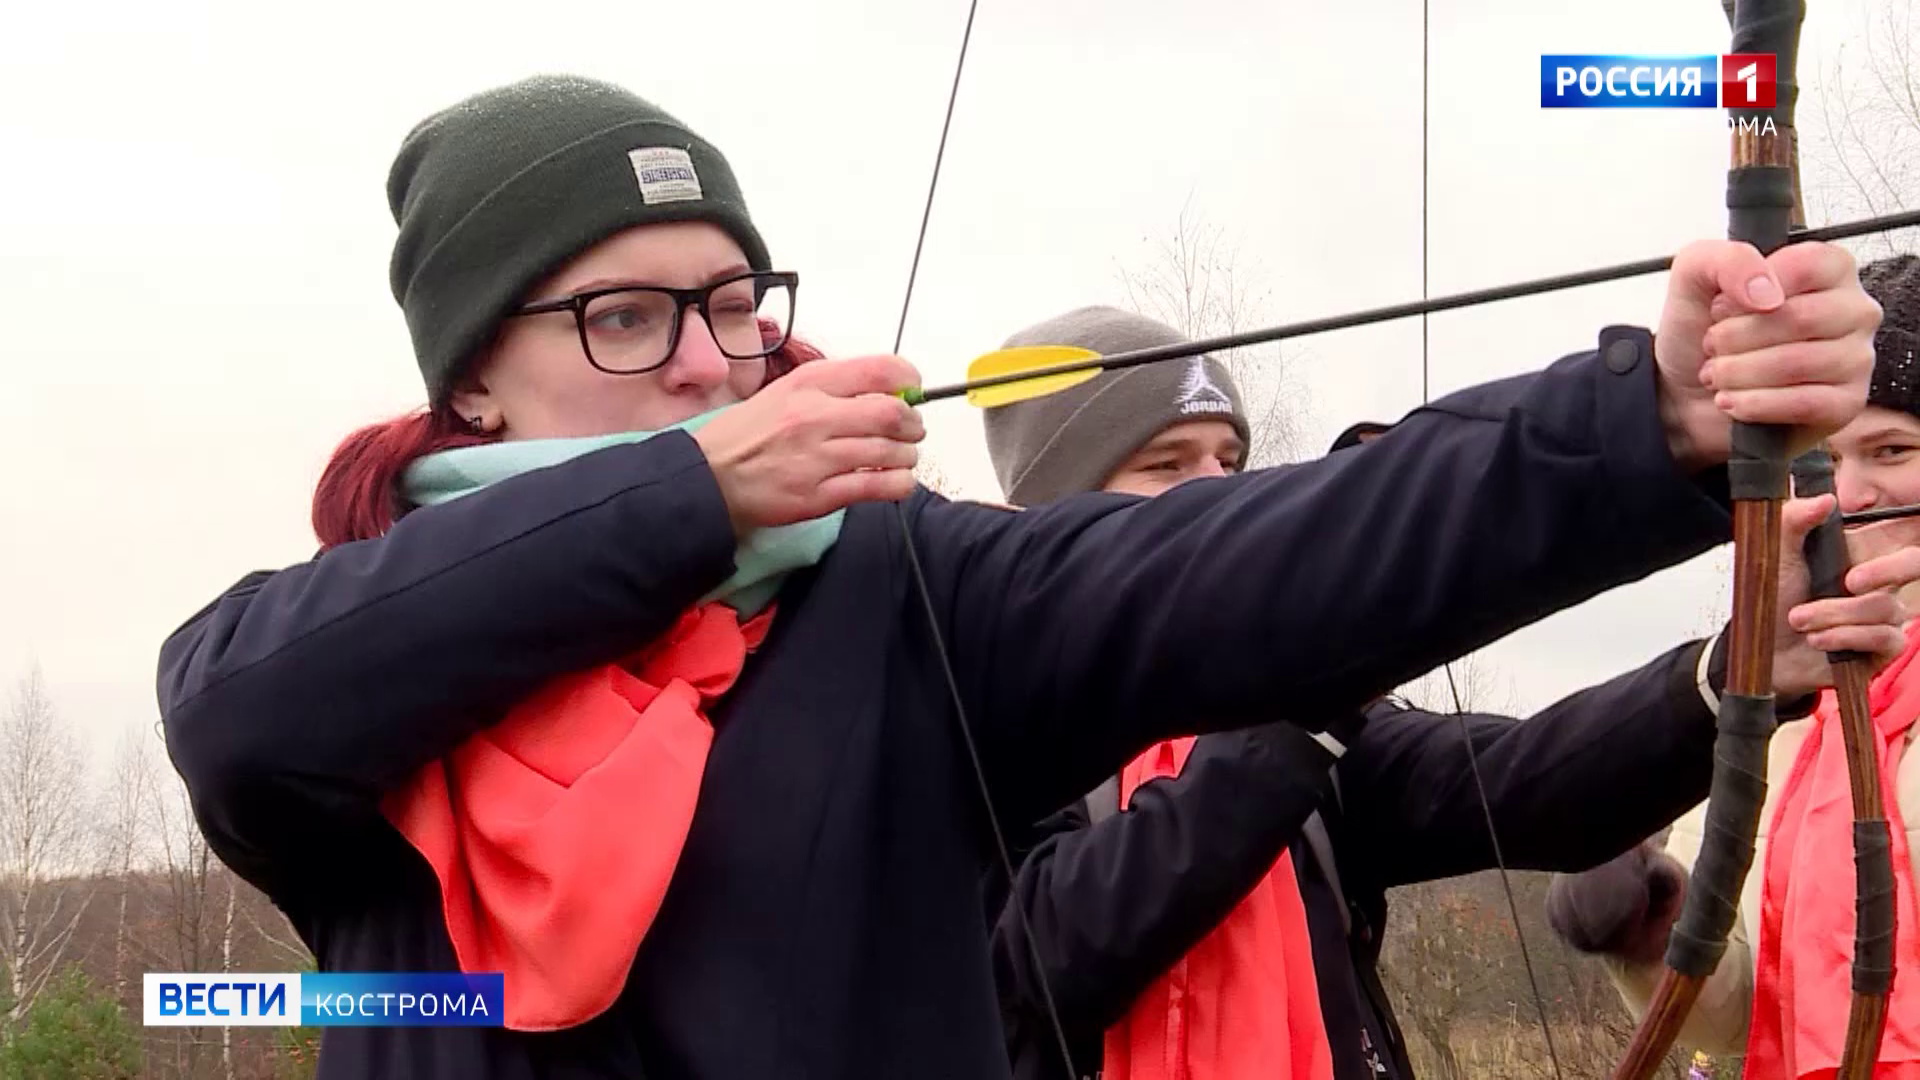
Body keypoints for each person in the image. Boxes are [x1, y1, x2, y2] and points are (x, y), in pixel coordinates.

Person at [151, 72, 1882, 1080]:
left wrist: (1648, 414)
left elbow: (1273, 560)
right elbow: (233, 710)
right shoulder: (349, 665)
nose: (707, 359)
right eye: (625, 315)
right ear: (466, 377)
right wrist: (681, 501)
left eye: (737, 303)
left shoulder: (899, 597)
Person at [978, 306, 1919, 1080]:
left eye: (1230, 459)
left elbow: (1508, 779)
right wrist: (1312, 668)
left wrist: (1736, 668)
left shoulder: (1286, 729)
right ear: (1051, 525)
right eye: (1168, 465)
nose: (1218, 491)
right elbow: (1043, 960)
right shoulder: (974, 728)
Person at [1548, 254, 1920, 1080]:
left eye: (1892, 451)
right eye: (1821, 460)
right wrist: (1652, 916)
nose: (1850, 493)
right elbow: (1744, 1009)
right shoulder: (1780, 694)